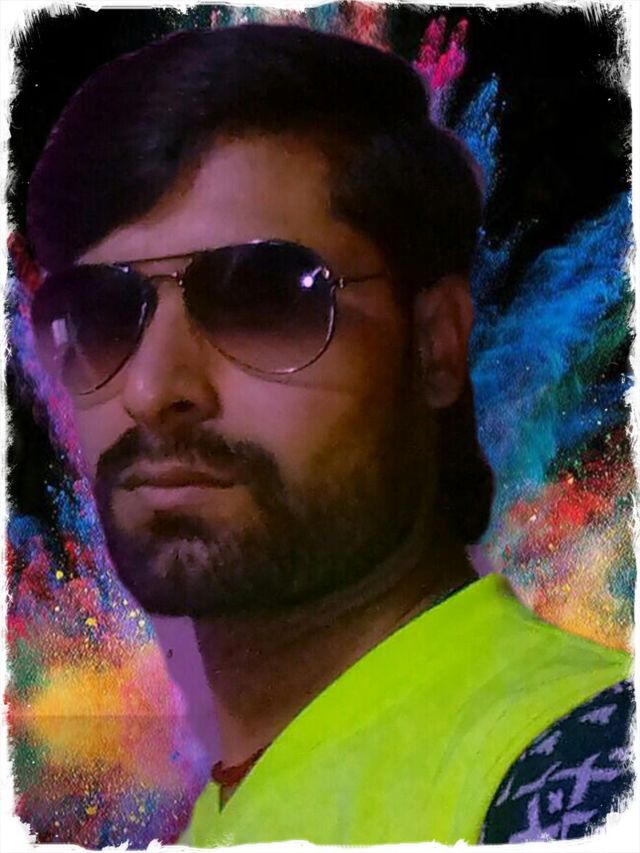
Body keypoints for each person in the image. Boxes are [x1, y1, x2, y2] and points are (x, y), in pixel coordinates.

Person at [23, 24, 632, 846]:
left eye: (266, 297)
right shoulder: (233, 810)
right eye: (98, 314)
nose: (152, 388)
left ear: (436, 344)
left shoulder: (572, 773)